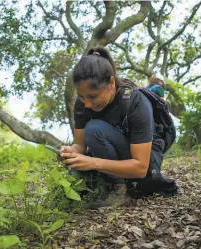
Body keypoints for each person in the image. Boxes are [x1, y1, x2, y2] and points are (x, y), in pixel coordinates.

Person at [60, 47, 168, 208]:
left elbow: (140, 168)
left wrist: (93, 162)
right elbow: (80, 146)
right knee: (72, 178)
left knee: (94, 129)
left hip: (142, 163)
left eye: (93, 96)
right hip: (110, 158)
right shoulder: (82, 103)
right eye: (81, 96)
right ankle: (106, 182)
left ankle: (118, 189)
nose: (87, 104)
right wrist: (71, 152)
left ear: (111, 83)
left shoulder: (136, 102)